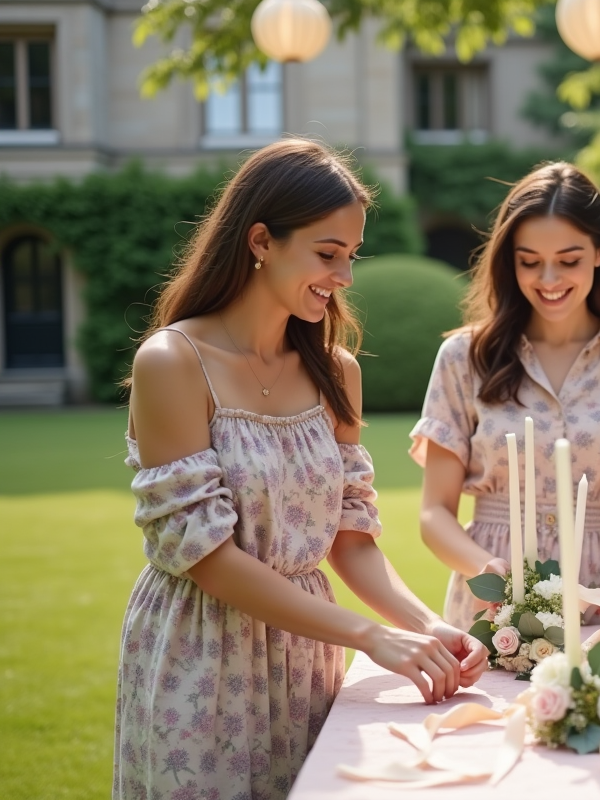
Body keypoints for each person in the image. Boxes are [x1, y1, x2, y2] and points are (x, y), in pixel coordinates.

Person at [114, 139, 487, 800]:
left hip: (310, 652)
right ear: (261, 240)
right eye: (327, 253)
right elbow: (205, 556)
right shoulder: (171, 362)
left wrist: (425, 626)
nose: (344, 276)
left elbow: (350, 539)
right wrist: (369, 635)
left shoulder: (335, 372)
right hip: (200, 657)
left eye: (351, 255)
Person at [412, 162, 600, 630]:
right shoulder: (464, 358)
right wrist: (486, 570)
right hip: (491, 604)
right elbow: (433, 513)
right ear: (511, 260)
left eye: (569, 260)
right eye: (529, 261)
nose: (548, 279)